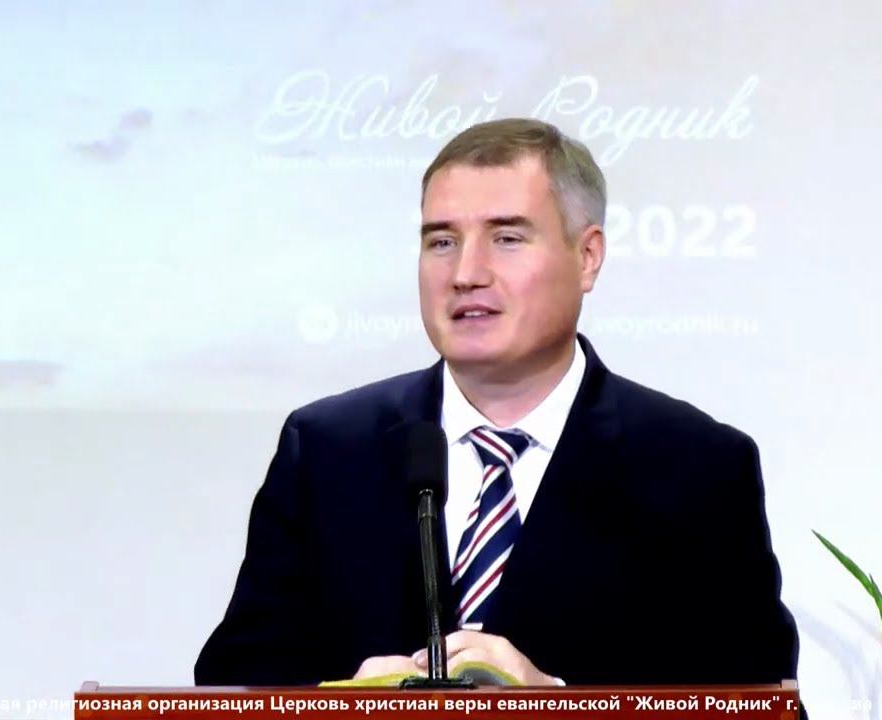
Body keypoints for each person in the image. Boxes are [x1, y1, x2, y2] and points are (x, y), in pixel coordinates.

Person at [195, 118, 800, 688]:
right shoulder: (328, 448)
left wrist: (556, 705)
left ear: (587, 257)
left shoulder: (698, 467)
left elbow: (759, 703)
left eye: (507, 238)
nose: (466, 273)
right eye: (441, 242)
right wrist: (341, 707)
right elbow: (235, 683)